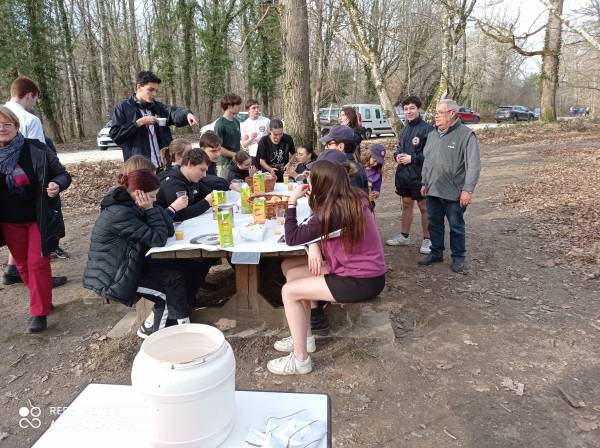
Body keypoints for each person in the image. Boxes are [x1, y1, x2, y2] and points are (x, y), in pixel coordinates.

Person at [267, 160, 386, 375]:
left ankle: (300, 360)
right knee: (290, 269)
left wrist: (292, 202)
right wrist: (313, 244)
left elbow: (292, 237)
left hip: (360, 280)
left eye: (310, 179)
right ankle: (305, 338)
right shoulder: (351, 197)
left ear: (322, 185)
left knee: (289, 291)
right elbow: (318, 224)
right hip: (355, 268)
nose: (307, 182)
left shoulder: (334, 212)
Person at [83, 160, 197, 335]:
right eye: (152, 196)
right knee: (167, 293)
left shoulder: (134, 204)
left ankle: (179, 323)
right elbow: (158, 239)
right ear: (139, 193)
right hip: (115, 277)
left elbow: (166, 230)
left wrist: (154, 207)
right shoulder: (121, 212)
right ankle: (158, 337)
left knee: (180, 272)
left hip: (131, 264)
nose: (153, 200)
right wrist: (151, 208)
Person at [0, 106, 72, 333]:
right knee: (21, 265)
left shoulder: (36, 149)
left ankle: (39, 312)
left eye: (7, 124)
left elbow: (63, 174)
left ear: (16, 126)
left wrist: (56, 184)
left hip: (37, 218)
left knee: (38, 263)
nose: (2, 129)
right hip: (8, 221)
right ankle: (42, 298)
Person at [3, 77, 68, 288]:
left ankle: (15, 270)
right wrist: (52, 185)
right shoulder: (29, 120)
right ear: (30, 95)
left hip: (8, 205)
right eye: (35, 100)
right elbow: (41, 161)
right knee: (36, 251)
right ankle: (37, 280)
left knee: (22, 244)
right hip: (31, 199)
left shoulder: (3, 112)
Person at [420, 99, 481, 273]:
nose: (436, 116)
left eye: (440, 112)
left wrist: (467, 190)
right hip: (433, 189)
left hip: (454, 192)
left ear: (452, 114)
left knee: (456, 226)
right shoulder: (432, 134)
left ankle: (458, 258)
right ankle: (436, 252)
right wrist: (424, 181)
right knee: (434, 224)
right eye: (436, 112)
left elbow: (474, 165)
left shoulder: (466, 135)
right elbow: (427, 160)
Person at [109, 70, 198, 167]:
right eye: (151, 90)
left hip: (164, 166)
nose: (154, 94)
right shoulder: (123, 108)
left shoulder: (157, 107)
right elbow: (116, 135)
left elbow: (173, 112)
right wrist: (138, 123)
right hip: (140, 168)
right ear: (139, 87)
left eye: (156, 90)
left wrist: (187, 114)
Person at [386, 96, 434, 255]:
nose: (409, 111)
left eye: (412, 108)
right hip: (404, 176)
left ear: (419, 109)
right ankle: (404, 236)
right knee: (406, 204)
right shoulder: (404, 129)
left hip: (420, 176)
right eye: (406, 109)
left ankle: (428, 239)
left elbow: (431, 155)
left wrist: (412, 158)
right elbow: (399, 148)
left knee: (423, 207)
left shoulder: (427, 129)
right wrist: (397, 156)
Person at [319, 125, 368, 192]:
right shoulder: (358, 166)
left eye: (329, 144)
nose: (325, 147)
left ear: (341, 146)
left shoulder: (344, 170)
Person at [214, 93, 242, 179]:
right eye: (237, 105)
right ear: (229, 106)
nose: (239, 107)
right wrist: (235, 155)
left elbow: (237, 143)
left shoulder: (236, 122)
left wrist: (240, 154)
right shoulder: (220, 124)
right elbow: (218, 148)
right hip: (224, 165)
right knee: (224, 188)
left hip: (236, 163)